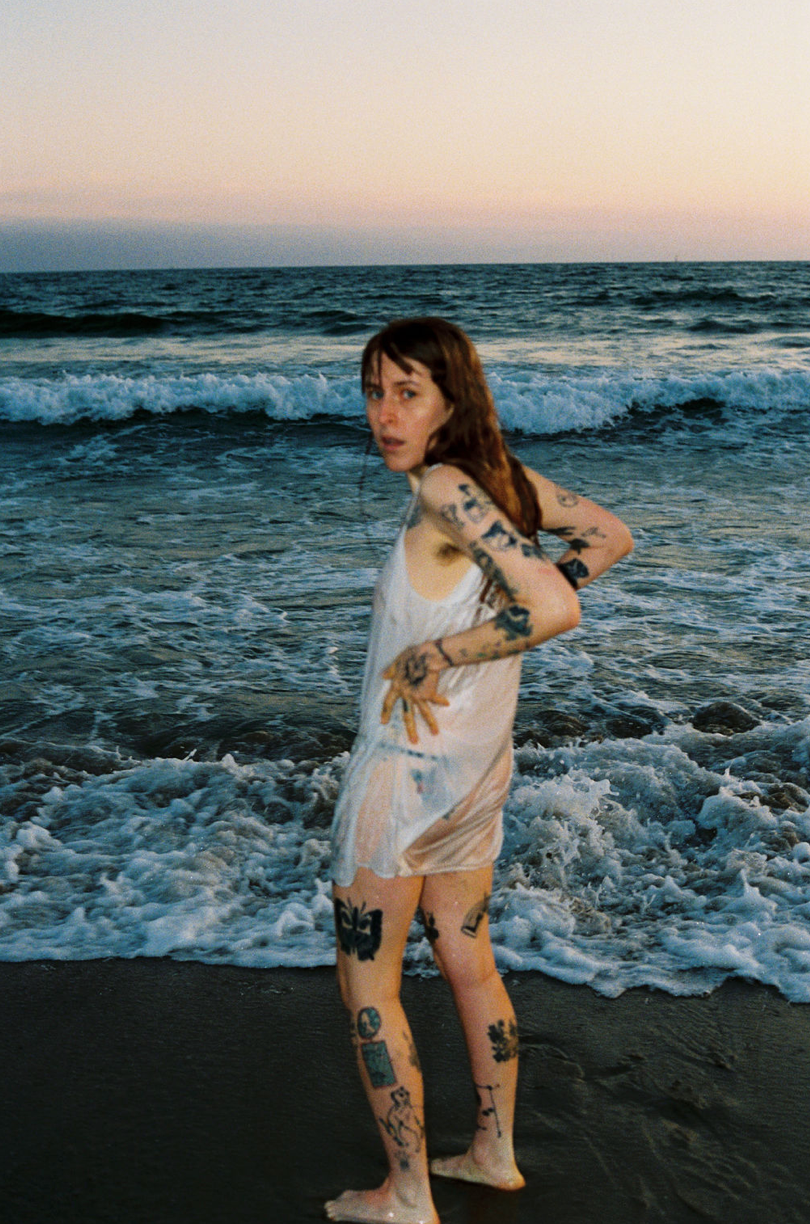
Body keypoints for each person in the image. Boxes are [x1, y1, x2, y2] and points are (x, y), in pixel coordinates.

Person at [326, 318, 633, 1224]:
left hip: (404, 778)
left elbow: (549, 607)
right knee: (465, 953)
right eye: (374, 391)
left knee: (368, 986)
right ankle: (492, 1152)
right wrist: (509, 612)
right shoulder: (504, 482)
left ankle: (407, 1193)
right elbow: (610, 537)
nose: (385, 414)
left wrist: (437, 654)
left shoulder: (445, 488)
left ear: (451, 400)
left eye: (406, 392)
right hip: (472, 773)